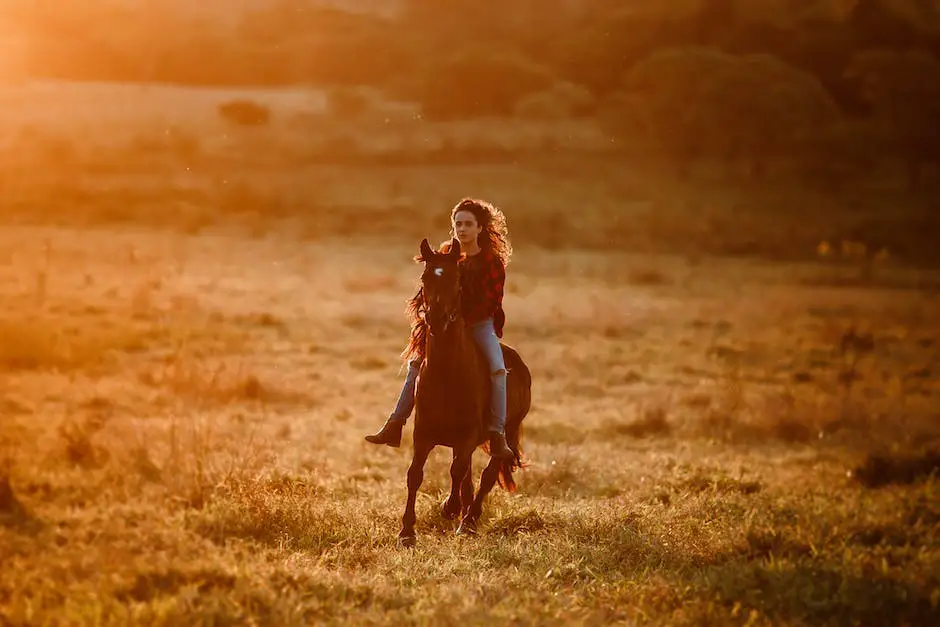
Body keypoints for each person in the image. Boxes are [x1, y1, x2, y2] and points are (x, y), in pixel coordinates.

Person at [365, 198, 514, 459]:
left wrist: (462, 321)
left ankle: (497, 433)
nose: (462, 229)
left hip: (478, 324)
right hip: (445, 324)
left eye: (468, 224)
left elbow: (492, 302)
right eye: (458, 224)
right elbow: (432, 290)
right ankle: (395, 424)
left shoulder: (491, 262)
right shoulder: (446, 254)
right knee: (416, 365)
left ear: (480, 228)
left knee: (498, 369)